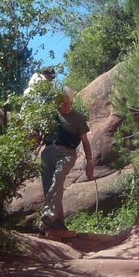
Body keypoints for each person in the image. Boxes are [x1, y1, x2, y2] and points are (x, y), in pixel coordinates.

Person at [39, 88, 94, 238]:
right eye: (60, 102)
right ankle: (58, 226)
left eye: (65, 102)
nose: (62, 105)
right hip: (48, 152)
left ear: (71, 101)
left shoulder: (77, 118)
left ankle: (48, 214)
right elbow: (38, 135)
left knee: (57, 180)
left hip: (67, 153)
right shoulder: (50, 115)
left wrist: (90, 162)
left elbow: (85, 141)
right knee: (48, 186)